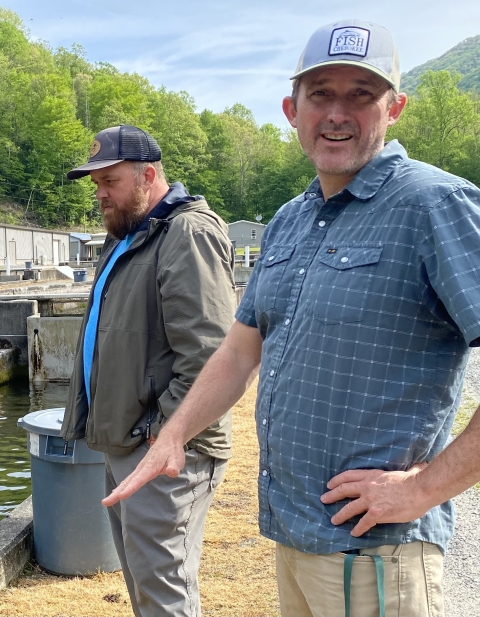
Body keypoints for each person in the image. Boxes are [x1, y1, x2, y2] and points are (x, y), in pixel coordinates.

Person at [103, 21, 480, 617]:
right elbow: (238, 352)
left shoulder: (434, 205)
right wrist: (172, 435)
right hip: (294, 539)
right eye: (320, 94)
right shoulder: (289, 220)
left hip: (375, 556)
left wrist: (423, 489)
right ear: (291, 109)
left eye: (362, 94)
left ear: (395, 108)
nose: (338, 113)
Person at [60, 124, 235, 617]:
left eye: (110, 182)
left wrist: (161, 434)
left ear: (148, 175)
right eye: (96, 185)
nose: (101, 195)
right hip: (131, 445)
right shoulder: (131, 236)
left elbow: (210, 354)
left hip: (165, 452)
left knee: (164, 595)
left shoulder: (187, 233)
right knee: (145, 588)